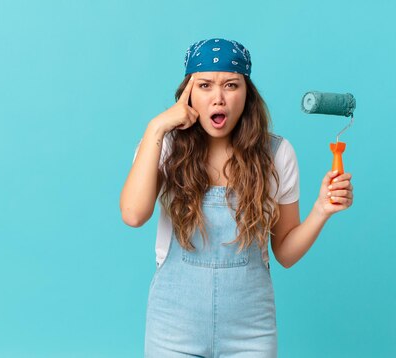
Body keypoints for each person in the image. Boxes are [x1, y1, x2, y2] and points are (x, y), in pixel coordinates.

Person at [119, 38, 354, 357]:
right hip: (172, 327)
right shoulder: (165, 147)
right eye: (204, 85)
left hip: (250, 331)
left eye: (231, 85)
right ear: (188, 94)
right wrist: (157, 126)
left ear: (247, 94)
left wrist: (321, 210)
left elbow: (284, 252)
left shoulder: (276, 155)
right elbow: (133, 214)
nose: (218, 98)